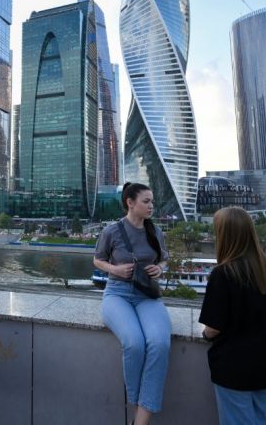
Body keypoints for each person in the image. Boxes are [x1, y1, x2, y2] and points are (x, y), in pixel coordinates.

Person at [93, 182, 171, 425]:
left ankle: (140, 419)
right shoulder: (112, 231)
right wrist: (114, 269)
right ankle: (138, 402)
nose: (151, 206)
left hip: (146, 294)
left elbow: (165, 259)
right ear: (130, 202)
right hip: (117, 293)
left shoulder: (154, 231)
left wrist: (159, 268)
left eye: (152, 202)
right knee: (134, 343)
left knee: (159, 343)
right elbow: (97, 260)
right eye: (146, 201)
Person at [199, 207, 266, 425]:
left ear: (225, 235)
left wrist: (205, 336)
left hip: (234, 369)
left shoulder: (222, 274)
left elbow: (213, 327)